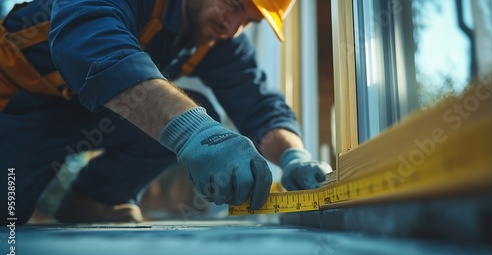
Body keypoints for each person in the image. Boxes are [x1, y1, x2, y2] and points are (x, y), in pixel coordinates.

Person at [0, 0, 332, 224]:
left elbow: (258, 103)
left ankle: (95, 202)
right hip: (16, 109)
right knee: (7, 221)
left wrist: (294, 156)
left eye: (248, 20)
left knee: (203, 111)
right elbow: (90, 43)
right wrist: (192, 131)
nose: (231, 27)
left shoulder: (215, 36)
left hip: (89, 112)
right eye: (233, 5)